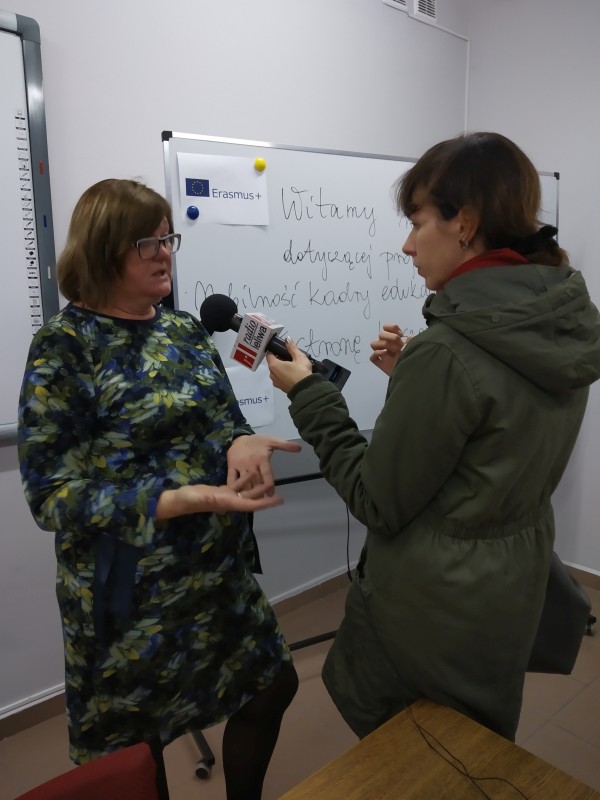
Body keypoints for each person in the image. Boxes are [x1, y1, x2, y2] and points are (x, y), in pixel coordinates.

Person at [266, 132, 600, 742]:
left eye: (417, 222)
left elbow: (376, 500)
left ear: (464, 223)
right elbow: (496, 435)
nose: (407, 244)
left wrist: (308, 392)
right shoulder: (558, 321)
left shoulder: (448, 353)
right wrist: (411, 381)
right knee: (476, 740)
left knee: (421, 755)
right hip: (508, 582)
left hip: (436, 603)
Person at [18, 178, 301, 800]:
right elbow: (51, 494)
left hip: (214, 572)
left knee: (272, 687)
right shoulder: (65, 345)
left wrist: (241, 443)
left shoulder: (182, 330)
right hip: (130, 594)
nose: (164, 253)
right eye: (146, 242)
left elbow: (225, 420)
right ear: (101, 251)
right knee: (138, 754)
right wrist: (177, 500)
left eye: (167, 238)